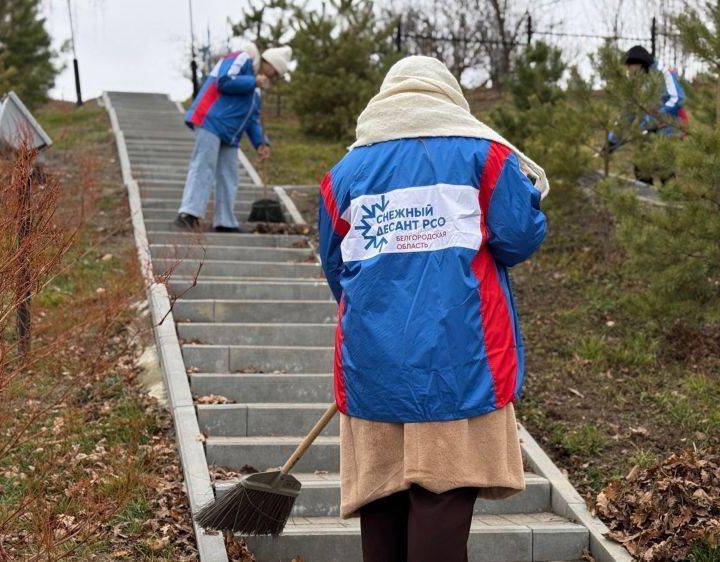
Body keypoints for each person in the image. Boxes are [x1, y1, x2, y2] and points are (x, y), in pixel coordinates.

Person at [318, 56, 548, 562]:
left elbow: (337, 272)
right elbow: (519, 237)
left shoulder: (344, 174)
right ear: (448, 97)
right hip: (460, 364)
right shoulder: (483, 155)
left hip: (373, 370)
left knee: (381, 500)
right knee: (442, 500)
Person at [175, 43, 292, 232]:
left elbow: (252, 119)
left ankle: (224, 221)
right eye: (274, 71)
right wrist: (253, 81)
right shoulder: (242, 57)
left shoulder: (256, 90)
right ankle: (189, 213)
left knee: (229, 175)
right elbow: (224, 80)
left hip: (231, 133)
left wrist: (261, 143)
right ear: (267, 61)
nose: (273, 76)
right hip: (211, 119)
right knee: (204, 166)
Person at [606, 45, 687, 184]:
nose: (628, 71)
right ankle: (649, 202)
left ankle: (670, 203)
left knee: (665, 173)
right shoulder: (636, 82)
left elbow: (678, 98)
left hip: (668, 131)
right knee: (641, 170)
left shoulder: (664, 73)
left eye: (629, 66)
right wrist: (612, 141)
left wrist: (653, 119)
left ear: (639, 63)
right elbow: (627, 113)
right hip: (647, 132)